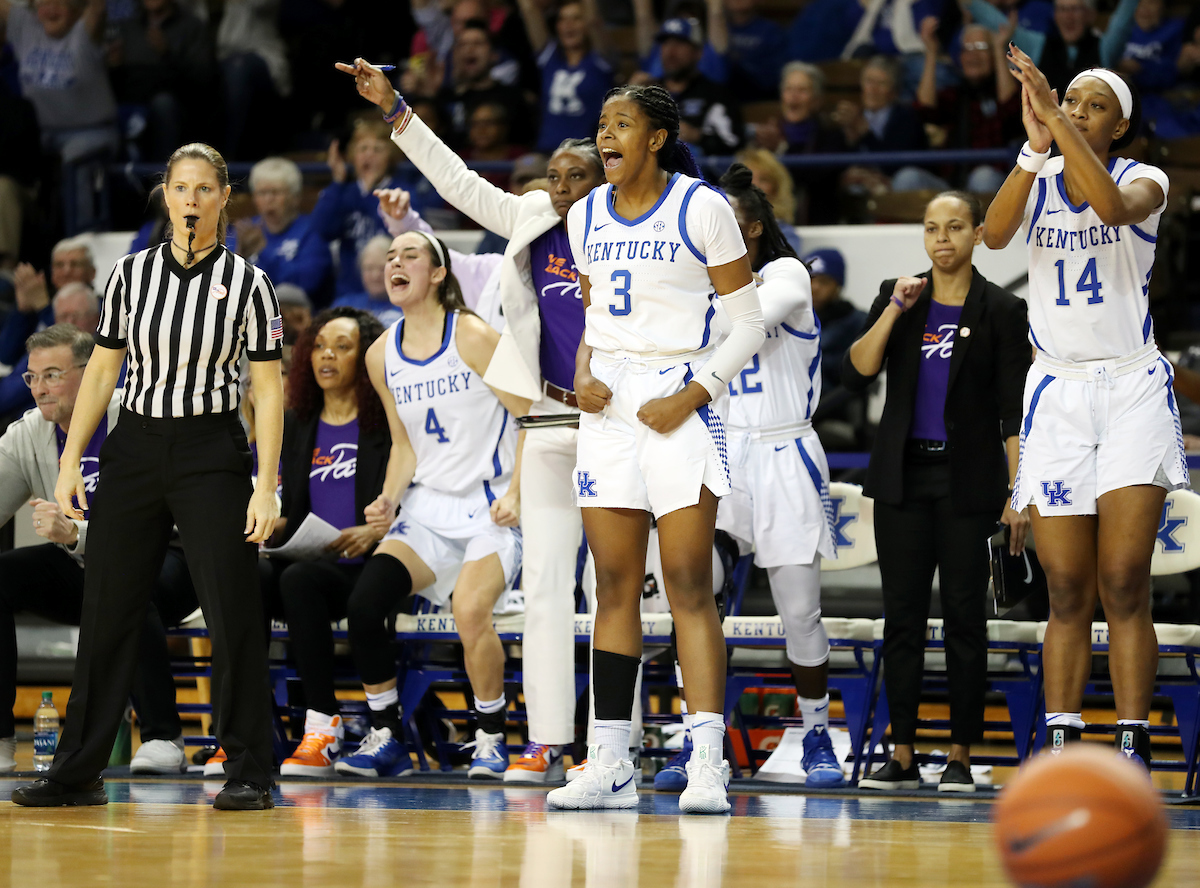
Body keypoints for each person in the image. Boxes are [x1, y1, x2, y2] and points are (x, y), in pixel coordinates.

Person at [341, 57, 606, 783]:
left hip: (619, 421)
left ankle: (626, 742)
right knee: (551, 588)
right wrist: (396, 107)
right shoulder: (531, 217)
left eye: (575, 175)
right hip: (549, 422)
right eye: (552, 175)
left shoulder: (634, 231)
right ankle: (545, 742)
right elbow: (455, 181)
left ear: (607, 178)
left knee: (611, 591)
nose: (559, 187)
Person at [11, 142, 285, 811]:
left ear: (224, 196)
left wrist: (266, 481)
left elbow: (270, 391)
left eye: (204, 189)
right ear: (165, 194)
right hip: (134, 444)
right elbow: (103, 368)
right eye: (180, 188)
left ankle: (250, 767)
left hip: (211, 449)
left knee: (233, 607)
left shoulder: (251, 283)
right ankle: (77, 772)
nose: (190, 201)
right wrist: (73, 455)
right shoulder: (131, 275)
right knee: (105, 606)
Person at [549, 83, 766, 814]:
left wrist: (693, 395)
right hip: (610, 406)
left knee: (686, 582)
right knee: (613, 585)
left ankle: (708, 759)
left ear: (657, 138)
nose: (605, 136)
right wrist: (580, 373)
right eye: (601, 125)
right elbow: (591, 316)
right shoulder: (582, 216)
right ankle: (610, 757)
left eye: (621, 124)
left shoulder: (701, 206)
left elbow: (747, 325)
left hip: (681, 395)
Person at [983, 49, 1186, 768]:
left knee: (1124, 579)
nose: (1075, 109)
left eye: (1093, 104)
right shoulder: (1040, 174)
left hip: (1129, 386)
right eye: (1069, 98)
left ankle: (1131, 745)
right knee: (1066, 587)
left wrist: (1053, 123)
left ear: (1121, 126)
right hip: (1059, 389)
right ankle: (1063, 746)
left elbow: (1106, 206)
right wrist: (1033, 147)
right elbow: (994, 236)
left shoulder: (1144, 179)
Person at [326, 229, 528, 781]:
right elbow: (404, 444)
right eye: (390, 255)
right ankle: (385, 733)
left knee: (468, 610)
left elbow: (531, 415)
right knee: (366, 604)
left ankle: (490, 736)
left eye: (410, 254)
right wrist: (388, 498)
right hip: (427, 511)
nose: (396, 261)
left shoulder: (474, 335)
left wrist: (517, 492)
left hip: (488, 508)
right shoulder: (379, 355)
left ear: (438, 274)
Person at [845, 191, 1029, 791]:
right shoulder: (901, 294)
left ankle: (958, 754)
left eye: (954, 227)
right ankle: (901, 754)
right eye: (931, 228)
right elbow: (863, 366)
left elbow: (1012, 412)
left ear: (978, 233)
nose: (942, 238)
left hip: (967, 483)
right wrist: (895, 310)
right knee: (900, 619)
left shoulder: (1001, 309)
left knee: (963, 621)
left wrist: (1017, 491)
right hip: (902, 479)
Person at [667, 163, 841, 789]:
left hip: (783, 450)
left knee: (800, 613)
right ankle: (699, 743)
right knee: (690, 589)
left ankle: (817, 731)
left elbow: (748, 320)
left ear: (756, 228)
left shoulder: (785, 273)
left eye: (729, 225)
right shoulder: (696, 286)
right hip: (719, 449)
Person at [0, 323, 197, 775]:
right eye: (32, 378)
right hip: (87, 563)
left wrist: (75, 534)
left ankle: (163, 736)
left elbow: (152, 522)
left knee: (127, 584)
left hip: (169, 558)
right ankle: (2, 739)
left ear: (92, 374)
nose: (39, 389)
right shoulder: (30, 432)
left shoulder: (136, 416)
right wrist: (76, 540)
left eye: (52, 374)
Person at [257, 308, 389, 777]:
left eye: (343, 346)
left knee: (298, 580)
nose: (326, 354)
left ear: (367, 358)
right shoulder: (299, 422)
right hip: (310, 557)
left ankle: (322, 724)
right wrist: (264, 524)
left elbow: (406, 502)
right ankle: (246, 729)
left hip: (370, 564)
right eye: (318, 346)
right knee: (247, 575)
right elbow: (291, 505)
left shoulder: (384, 426)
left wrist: (375, 532)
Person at [0, 0, 118, 231]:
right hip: (41, 134)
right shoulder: (26, 26)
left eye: (60, 3)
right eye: (44, 4)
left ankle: (81, 239)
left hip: (90, 132)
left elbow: (98, 7)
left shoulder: (85, 31)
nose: (51, 9)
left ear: (76, 10)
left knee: (76, 161)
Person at [914, 19, 1022, 194]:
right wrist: (932, 52)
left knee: (982, 176)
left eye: (981, 48)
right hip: (952, 183)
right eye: (967, 49)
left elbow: (1010, 106)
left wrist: (998, 48)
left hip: (998, 181)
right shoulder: (956, 94)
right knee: (909, 178)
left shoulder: (1002, 89)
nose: (973, 56)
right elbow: (925, 109)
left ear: (994, 54)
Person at [312, 119, 410, 300]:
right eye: (363, 149)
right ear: (352, 155)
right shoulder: (343, 191)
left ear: (390, 156)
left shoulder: (402, 192)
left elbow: (403, 235)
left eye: (378, 150)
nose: (369, 155)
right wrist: (337, 182)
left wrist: (370, 192)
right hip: (350, 290)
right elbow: (322, 229)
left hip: (391, 291)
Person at [109, 0, 216, 161]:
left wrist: (168, 53)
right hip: (132, 96)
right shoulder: (128, 27)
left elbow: (203, 80)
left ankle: (161, 178)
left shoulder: (191, 26)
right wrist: (114, 66)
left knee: (163, 104)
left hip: (177, 101)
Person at [752, 63, 848, 226]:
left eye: (802, 91)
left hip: (816, 226)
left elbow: (814, 177)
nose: (793, 96)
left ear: (817, 100)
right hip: (767, 224)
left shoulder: (831, 136)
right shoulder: (768, 135)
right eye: (788, 89)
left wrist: (781, 150)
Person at [234, 158, 334, 310]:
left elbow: (306, 283)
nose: (268, 199)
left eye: (275, 192)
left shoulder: (313, 231)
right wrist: (239, 255)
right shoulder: (245, 231)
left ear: (295, 197)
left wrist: (263, 252)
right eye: (262, 193)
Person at [517, 0, 613, 154]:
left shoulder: (600, 60)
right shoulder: (550, 59)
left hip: (587, 154)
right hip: (547, 153)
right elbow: (528, 8)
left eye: (576, 18)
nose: (569, 25)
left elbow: (594, 20)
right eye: (562, 19)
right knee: (525, 167)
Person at [804, 248, 870, 451]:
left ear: (838, 285)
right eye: (810, 279)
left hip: (834, 411)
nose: (814, 287)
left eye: (823, 281)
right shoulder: (792, 322)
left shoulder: (857, 321)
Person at [652, 17, 744, 157]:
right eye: (666, 44)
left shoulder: (716, 95)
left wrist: (697, 136)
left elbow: (735, 144)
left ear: (698, 53)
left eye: (679, 44)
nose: (670, 52)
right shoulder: (648, 94)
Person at [0, 237, 97, 367]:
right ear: (52, 273)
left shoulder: (102, 306)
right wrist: (23, 311)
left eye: (75, 264)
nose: (67, 271)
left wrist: (43, 307)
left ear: (92, 272)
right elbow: (6, 356)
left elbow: (76, 343)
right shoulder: (35, 307)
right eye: (59, 265)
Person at [332, 235, 403, 328]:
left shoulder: (409, 308)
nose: (375, 276)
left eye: (382, 269)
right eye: (369, 268)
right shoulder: (344, 307)